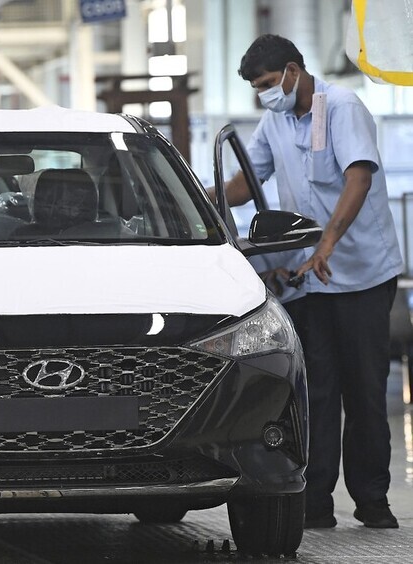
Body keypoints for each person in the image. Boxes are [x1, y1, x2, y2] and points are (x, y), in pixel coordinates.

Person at [224, 34, 403, 529]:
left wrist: (326, 243)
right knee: (316, 395)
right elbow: (245, 185)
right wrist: (192, 196)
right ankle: (316, 501)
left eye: (266, 83)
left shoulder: (341, 106)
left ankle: (371, 500)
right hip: (311, 281)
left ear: (292, 70)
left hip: (363, 274)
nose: (264, 93)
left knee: (365, 392)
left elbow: (359, 178)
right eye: (258, 87)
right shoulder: (273, 121)